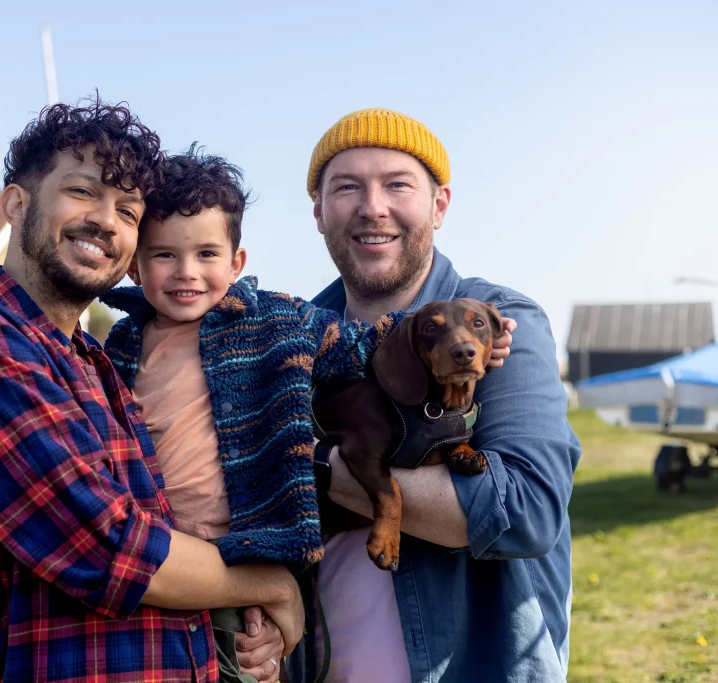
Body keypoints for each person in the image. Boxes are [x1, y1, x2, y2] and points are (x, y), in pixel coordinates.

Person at [0, 99, 299, 683]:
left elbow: (166, 532)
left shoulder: (98, 360)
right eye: (83, 191)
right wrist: (271, 585)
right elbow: (107, 546)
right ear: (16, 203)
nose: (107, 222)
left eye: (129, 211)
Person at [98, 146, 514, 683]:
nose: (187, 273)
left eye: (206, 254)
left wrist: (465, 341)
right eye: (164, 256)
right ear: (135, 265)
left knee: (246, 661)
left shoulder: (276, 320)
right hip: (163, 547)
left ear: (236, 263)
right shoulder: (118, 347)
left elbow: (365, 342)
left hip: (247, 546)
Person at [280, 108, 582, 682]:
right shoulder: (289, 342)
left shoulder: (501, 324)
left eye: (398, 185)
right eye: (346, 187)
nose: (373, 207)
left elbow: (526, 511)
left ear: (439, 205)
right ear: (318, 211)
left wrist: (313, 467)